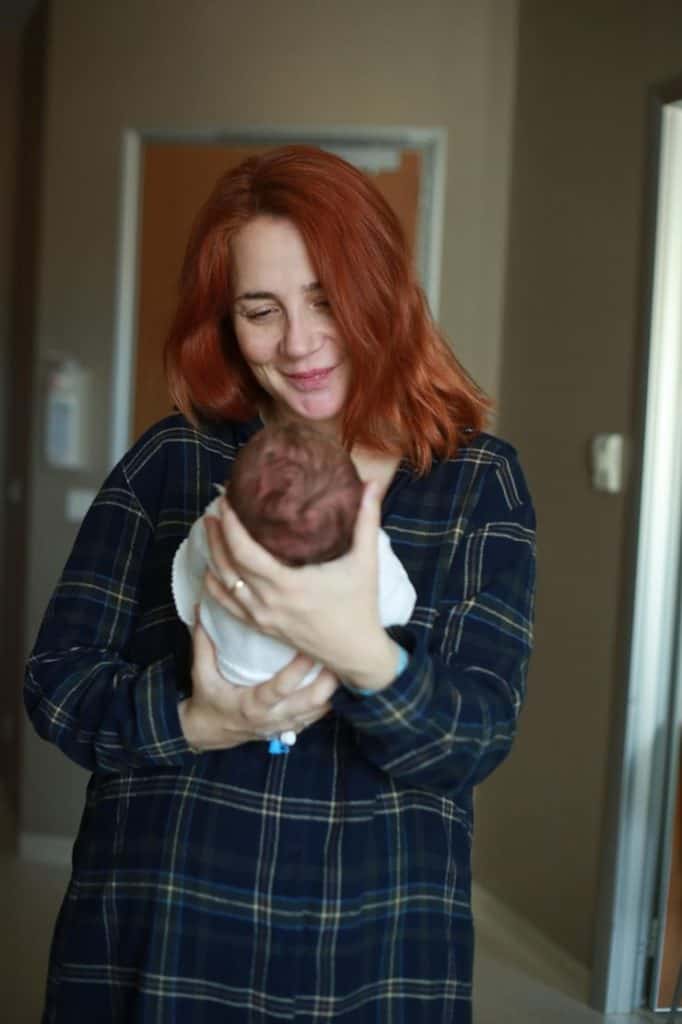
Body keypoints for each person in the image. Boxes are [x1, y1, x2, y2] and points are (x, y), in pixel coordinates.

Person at [25, 144, 536, 1024]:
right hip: (166, 927)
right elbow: (57, 683)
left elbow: (474, 738)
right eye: (261, 310)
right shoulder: (173, 461)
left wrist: (359, 652)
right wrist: (200, 719)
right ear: (227, 323)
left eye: (326, 299)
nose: (299, 343)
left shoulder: (475, 483)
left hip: (370, 947)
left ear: (382, 292)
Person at [172, 421, 417, 751]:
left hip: (228, 668)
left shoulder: (216, 525)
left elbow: (190, 562)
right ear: (361, 501)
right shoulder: (367, 546)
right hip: (316, 679)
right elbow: (400, 605)